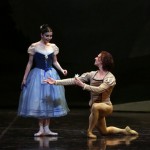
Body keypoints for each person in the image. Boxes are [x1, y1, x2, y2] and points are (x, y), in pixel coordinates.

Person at [44, 51, 138, 138]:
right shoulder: (92, 74)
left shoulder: (110, 77)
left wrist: (83, 85)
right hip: (95, 108)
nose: (95, 58)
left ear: (103, 61)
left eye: (98, 57)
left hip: (106, 106)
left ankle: (89, 131)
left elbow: (99, 90)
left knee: (95, 106)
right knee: (104, 132)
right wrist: (55, 82)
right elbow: (74, 80)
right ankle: (124, 131)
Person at [18, 24, 69, 137]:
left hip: (51, 75)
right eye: (47, 36)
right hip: (38, 75)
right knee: (40, 100)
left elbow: (55, 61)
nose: (49, 38)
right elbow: (30, 63)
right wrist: (24, 78)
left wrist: (62, 70)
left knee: (50, 99)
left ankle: (47, 128)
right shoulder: (34, 46)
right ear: (41, 35)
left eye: (50, 36)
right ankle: (40, 128)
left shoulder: (53, 47)